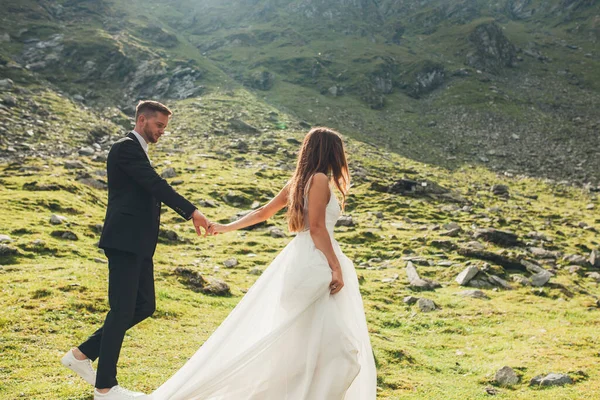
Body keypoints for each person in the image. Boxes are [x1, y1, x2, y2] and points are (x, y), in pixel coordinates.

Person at [143, 127, 377, 400]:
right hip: (316, 262)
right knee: (336, 350)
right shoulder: (320, 180)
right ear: (331, 152)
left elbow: (263, 212)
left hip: (298, 263)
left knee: (306, 345)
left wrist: (225, 227)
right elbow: (316, 229)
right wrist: (336, 266)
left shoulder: (299, 181)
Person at [61, 100, 210, 400]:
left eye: (165, 128)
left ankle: (81, 354)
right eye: (159, 126)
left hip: (139, 244)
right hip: (124, 242)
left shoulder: (137, 152)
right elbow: (154, 184)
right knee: (122, 309)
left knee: (144, 306)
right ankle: (105, 387)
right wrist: (191, 211)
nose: (162, 132)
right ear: (142, 120)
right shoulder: (125, 147)